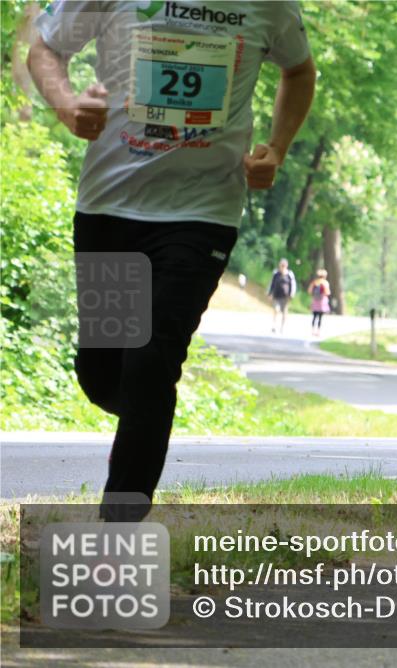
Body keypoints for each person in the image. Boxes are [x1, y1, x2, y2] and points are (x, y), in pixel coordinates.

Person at [29, 1, 315, 521]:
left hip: (203, 212)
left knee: (152, 357)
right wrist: (67, 105)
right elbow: (45, 47)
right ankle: (141, 419)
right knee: (102, 376)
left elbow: (299, 70)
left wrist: (276, 147)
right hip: (112, 205)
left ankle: (117, 532)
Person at [267, 258, 297, 334]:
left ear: (286, 266)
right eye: (281, 265)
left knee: (284, 312)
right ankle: (274, 325)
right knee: (276, 310)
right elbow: (271, 283)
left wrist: (292, 294)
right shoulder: (276, 273)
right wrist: (269, 293)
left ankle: (282, 327)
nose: (282, 267)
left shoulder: (289, 274)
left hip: (285, 297)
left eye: (284, 265)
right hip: (276, 295)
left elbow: (293, 285)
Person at [307, 269, 331, 337]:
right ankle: (318, 331)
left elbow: (309, 291)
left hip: (315, 301)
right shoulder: (325, 283)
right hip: (322, 302)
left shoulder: (314, 282)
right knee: (320, 317)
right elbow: (328, 292)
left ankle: (312, 330)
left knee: (314, 316)